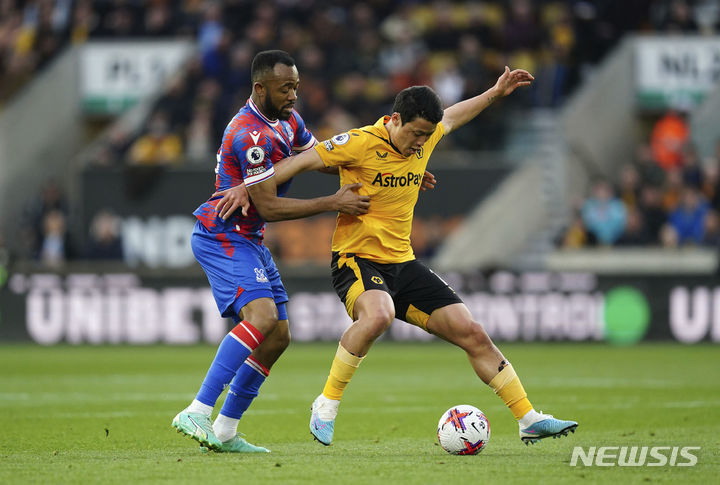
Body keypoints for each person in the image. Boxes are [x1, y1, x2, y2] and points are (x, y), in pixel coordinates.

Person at [221, 66, 578, 446]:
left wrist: (495, 91)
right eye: (415, 133)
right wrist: (249, 186)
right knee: (379, 315)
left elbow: (454, 116)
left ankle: (528, 419)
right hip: (356, 259)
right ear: (394, 120)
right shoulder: (358, 143)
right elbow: (298, 163)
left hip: (402, 263)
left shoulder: (427, 136)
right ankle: (326, 403)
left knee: (473, 333)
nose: (420, 142)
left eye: (426, 135)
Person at [171, 50, 370, 453]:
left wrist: (384, 167)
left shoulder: (288, 121)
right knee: (261, 317)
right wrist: (333, 203)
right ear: (260, 88)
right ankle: (197, 409)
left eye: (296, 86)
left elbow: (321, 159)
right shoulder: (249, 135)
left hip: (250, 239)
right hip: (223, 235)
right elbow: (269, 207)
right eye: (285, 88)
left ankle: (225, 430)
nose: (294, 95)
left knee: (278, 336)